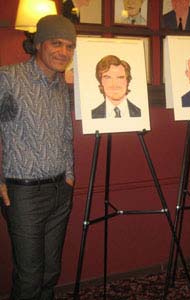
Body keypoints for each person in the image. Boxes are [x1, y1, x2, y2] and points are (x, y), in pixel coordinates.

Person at [0, 15, 76, 299]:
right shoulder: (8, 77)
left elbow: (66, 133)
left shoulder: (60, 84)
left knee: (49, 273)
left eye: (70, 46)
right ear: (39, 43)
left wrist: (69, 175)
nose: (63, 52)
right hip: (24, 195)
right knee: (30, 277)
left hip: (60, 191)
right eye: (57, 43)